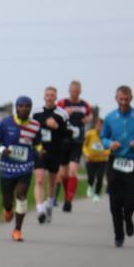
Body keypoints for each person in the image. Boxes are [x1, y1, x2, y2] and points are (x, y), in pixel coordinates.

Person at [99, 85, 134, 247]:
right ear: (116, 99)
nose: (123, 102)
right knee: (115, 203)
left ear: (131, 98)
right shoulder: (109, 118)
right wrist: (109, 143)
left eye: (126, 99)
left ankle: (128, 218)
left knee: (131, 200)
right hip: (115, 161)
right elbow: (103, 137)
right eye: (120, 99)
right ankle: (118, 235)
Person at [0, 97, 43, 241]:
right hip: (7, 168)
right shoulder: (6, 123)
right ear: (16, 108)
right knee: (7, 200)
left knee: (21, 196)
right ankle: (8, 210)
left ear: (31, 108)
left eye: (27, 106)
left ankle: (17, 230)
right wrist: (2, 149)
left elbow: (38, 144)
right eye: (21, 106)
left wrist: (40, 151)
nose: (24, 109)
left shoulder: (35, 126)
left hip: (25, 167)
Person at [32, 88, 70, 224]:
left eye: (52, 95)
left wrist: (57, 127)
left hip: (55, 151)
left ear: (55, 98)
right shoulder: (35, 113)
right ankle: (40, 210)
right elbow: (31, 128)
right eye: (47, 95)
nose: (49, 97)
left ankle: (49, 204)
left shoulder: (62, 114)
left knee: (52, 182)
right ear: (44, 97)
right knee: (39, 180)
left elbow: (69, 133)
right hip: (40, 151)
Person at [56, 81, 93, 213]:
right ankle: (68, 194)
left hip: (77, 141)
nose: (74, 93)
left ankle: (68, 201)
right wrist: (64, 113)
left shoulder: (84, 104)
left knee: (73, 171)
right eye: (73, 90)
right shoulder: (62, 103)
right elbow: (54, 116)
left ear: (80, 91)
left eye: (77, 91)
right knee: (63, 173)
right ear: (69, 90)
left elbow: (90, 115)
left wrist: (88, 119)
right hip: (63, 141)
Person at [82, 117, 110, 202]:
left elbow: (110, 148)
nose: (99, 126)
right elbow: (84, 145)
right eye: (97, 124)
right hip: (91, 160)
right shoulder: (89, 134)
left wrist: (105, 153)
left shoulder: (107, 135)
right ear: (95, 125)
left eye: (101, 125)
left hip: (102, 160)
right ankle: (90, 186)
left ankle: (97, 194)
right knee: (91, 176)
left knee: (100, 177)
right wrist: (86, 153)